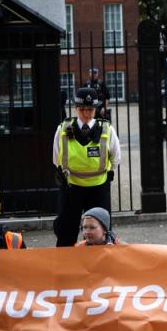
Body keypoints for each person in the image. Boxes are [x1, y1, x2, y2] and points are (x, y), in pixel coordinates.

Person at [52, 86, 122, 247]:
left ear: (95, 109)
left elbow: (116, 156)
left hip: (98, 188)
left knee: (99, 233)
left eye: (90, 109)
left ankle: (100, 269)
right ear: (76, 108)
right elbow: (56, 157)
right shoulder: (63, 128)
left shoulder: (106, 129)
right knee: (66, 231)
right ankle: (65, 268)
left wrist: (109, 174)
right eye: (82, 109)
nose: (86, 113)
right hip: (71, 187)